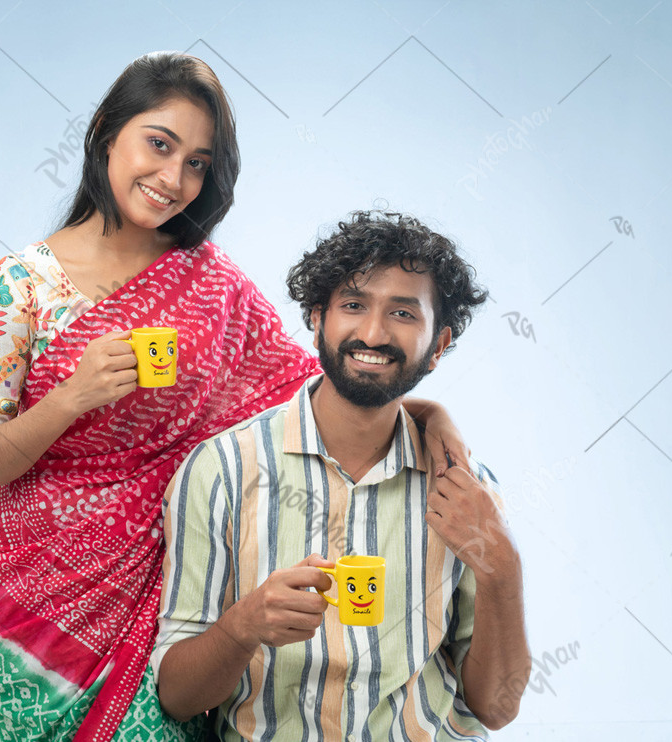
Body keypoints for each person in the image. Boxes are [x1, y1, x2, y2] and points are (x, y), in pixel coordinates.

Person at [0, 54, 471, 741]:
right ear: (108, 131)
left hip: (176, 589)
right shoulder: (18, 286)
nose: (173, 179)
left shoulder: (210, 282)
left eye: (198, 163)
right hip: (43, 602)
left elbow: (311, 387)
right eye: (159, 144)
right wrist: (70, 399)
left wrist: (424, 412)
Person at [154, 210, 531, 740]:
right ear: (316, 319)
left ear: (439, 343)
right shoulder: (223, 470)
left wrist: (503, 565)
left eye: (403, 313)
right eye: (353, 305)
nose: (372, 333)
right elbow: (175, 697)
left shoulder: (466, 490)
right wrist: (242, 628)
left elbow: (497, 708)